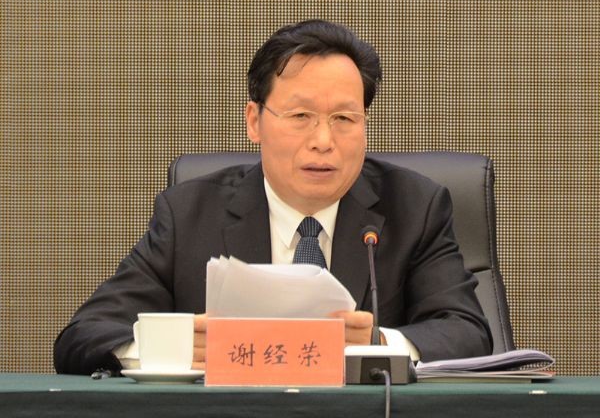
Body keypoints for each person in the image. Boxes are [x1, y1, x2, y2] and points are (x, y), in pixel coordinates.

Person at [54, 19, 492, 375]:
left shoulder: (415, 206)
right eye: (301, 115)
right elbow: (83, 336)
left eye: (344, 118)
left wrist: (376, 344)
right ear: (255, 121)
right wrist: (173, 348)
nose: (323, 141)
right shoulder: (188, 214)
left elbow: (468, 332)